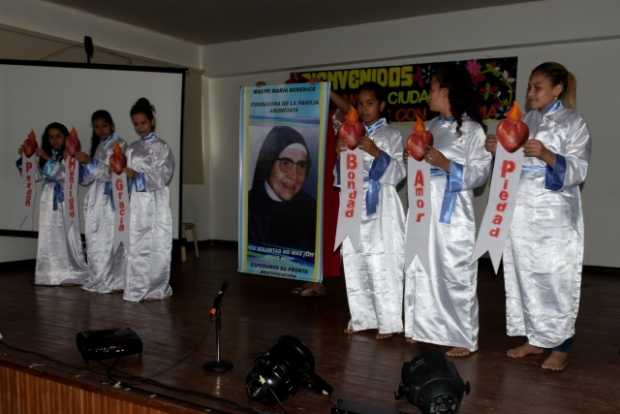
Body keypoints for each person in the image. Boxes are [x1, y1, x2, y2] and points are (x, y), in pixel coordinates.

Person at [485, 62, 591, 371]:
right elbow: (510, 165)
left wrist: (546, 154)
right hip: (520, 211)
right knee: (524, 276)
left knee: (555, 278)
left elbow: (579, 168)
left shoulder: (574, 122)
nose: (530, 93)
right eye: (530, 86)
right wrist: (498, 150)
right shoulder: (524, 120)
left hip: (554, 214)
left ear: (557, 89)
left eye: (538, 87)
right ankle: (535, 338)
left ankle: (561, 345)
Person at [404, 65, 492, 356]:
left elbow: (480, 174)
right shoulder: (429, 128)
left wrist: (444, 164)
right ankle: (423, 326)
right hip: (423, 207)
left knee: (455, 270)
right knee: (421, 265)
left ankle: (463, 335)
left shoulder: (472, 130)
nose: (428, 94)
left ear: (446, 91)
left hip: (453, 212)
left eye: (432, 88)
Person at [335, 81, 406, 339]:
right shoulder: (350, 133)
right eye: (361, 104)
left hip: (382, 207)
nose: (365, 109)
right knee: (355, 259)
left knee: (382, 262)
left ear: (382, 105)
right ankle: (362, 316)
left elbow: (399, 173)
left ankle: (388, 321)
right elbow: (340, 178)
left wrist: (375, 151)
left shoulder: (392, 135)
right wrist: (339, 155)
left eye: (370, 103)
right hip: (355, 204)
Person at [17, 122, 89, 286]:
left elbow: (64, 175)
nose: (55, 140)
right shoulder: (47, 156)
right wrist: (26, 158)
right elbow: (35, 176)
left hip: (66, 198)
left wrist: (46, 158)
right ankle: (50, 273)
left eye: (58, 136)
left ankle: (72, 272)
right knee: (50, 234)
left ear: (65, 137)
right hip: (48, 198)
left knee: (67, 233)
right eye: (51, 137)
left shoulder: (70, 155)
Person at [123, 98, 175, 302]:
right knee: (136, 243)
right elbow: (125, 176)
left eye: (143, 123)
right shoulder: (131, 148)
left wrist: (139, 176)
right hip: (136, 202)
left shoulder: (162, 147)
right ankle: (136, 286)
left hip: (155, 201)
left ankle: (155, 286)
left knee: (156, 243)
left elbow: (165, 174)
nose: (139, 127)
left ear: (151, 121)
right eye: (135, 124)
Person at [75, 110, 128, 294]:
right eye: (97, 127)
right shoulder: (99, 146)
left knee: (108, 238)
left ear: (111, 125)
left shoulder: (119, 144)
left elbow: (114, 173)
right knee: (95, 238)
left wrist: (89, 162)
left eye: (104, 125)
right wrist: (80, 165)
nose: (101, 130)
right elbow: (88, 178)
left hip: (111, 198)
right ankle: (98, 276)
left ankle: (113, 279)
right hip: (95, 199)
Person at [248, 125, 317, 252]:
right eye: (286, 163)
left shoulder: (312, 209)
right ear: (269, 164)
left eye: (301, 165)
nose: (294, 175)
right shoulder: (248, 206)